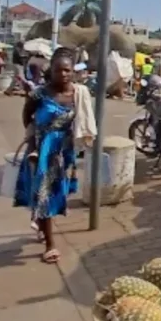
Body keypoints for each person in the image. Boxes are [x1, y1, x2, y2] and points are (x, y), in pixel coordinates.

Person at [13, 48, 97, 264]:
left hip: (65, 150)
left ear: (73, 72)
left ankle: (41, 224)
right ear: (51, 71)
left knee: (57, 193)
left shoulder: (78, 94)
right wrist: (37, 136)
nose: (63, 75)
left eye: (67, 70)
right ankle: (50, 245)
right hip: (43, 150)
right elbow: (26, 115)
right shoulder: (40, 94)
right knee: (44, 193)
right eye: (59, 71)